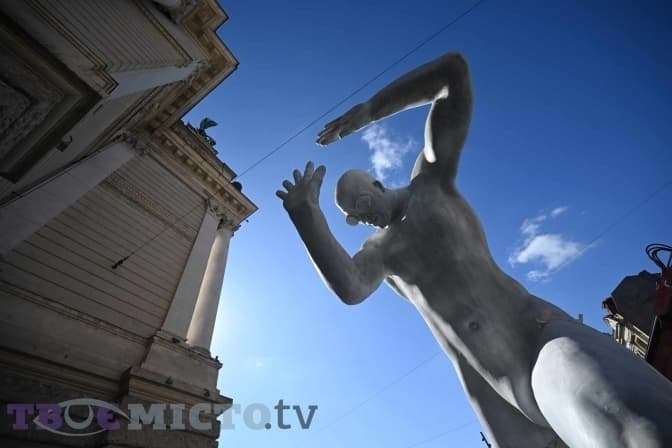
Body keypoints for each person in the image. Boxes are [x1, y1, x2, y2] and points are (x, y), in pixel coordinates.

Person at [275, 52, 672, 448]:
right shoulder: (379, 250)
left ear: (377, 185)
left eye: (361, 205)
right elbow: (351, 287)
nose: (362, 219)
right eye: (353, 218)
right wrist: (307, 216)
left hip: (537, 340)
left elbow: (452, 74)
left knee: (633, 430)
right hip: (492, 392)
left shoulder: (429, 185)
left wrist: (369, 111)